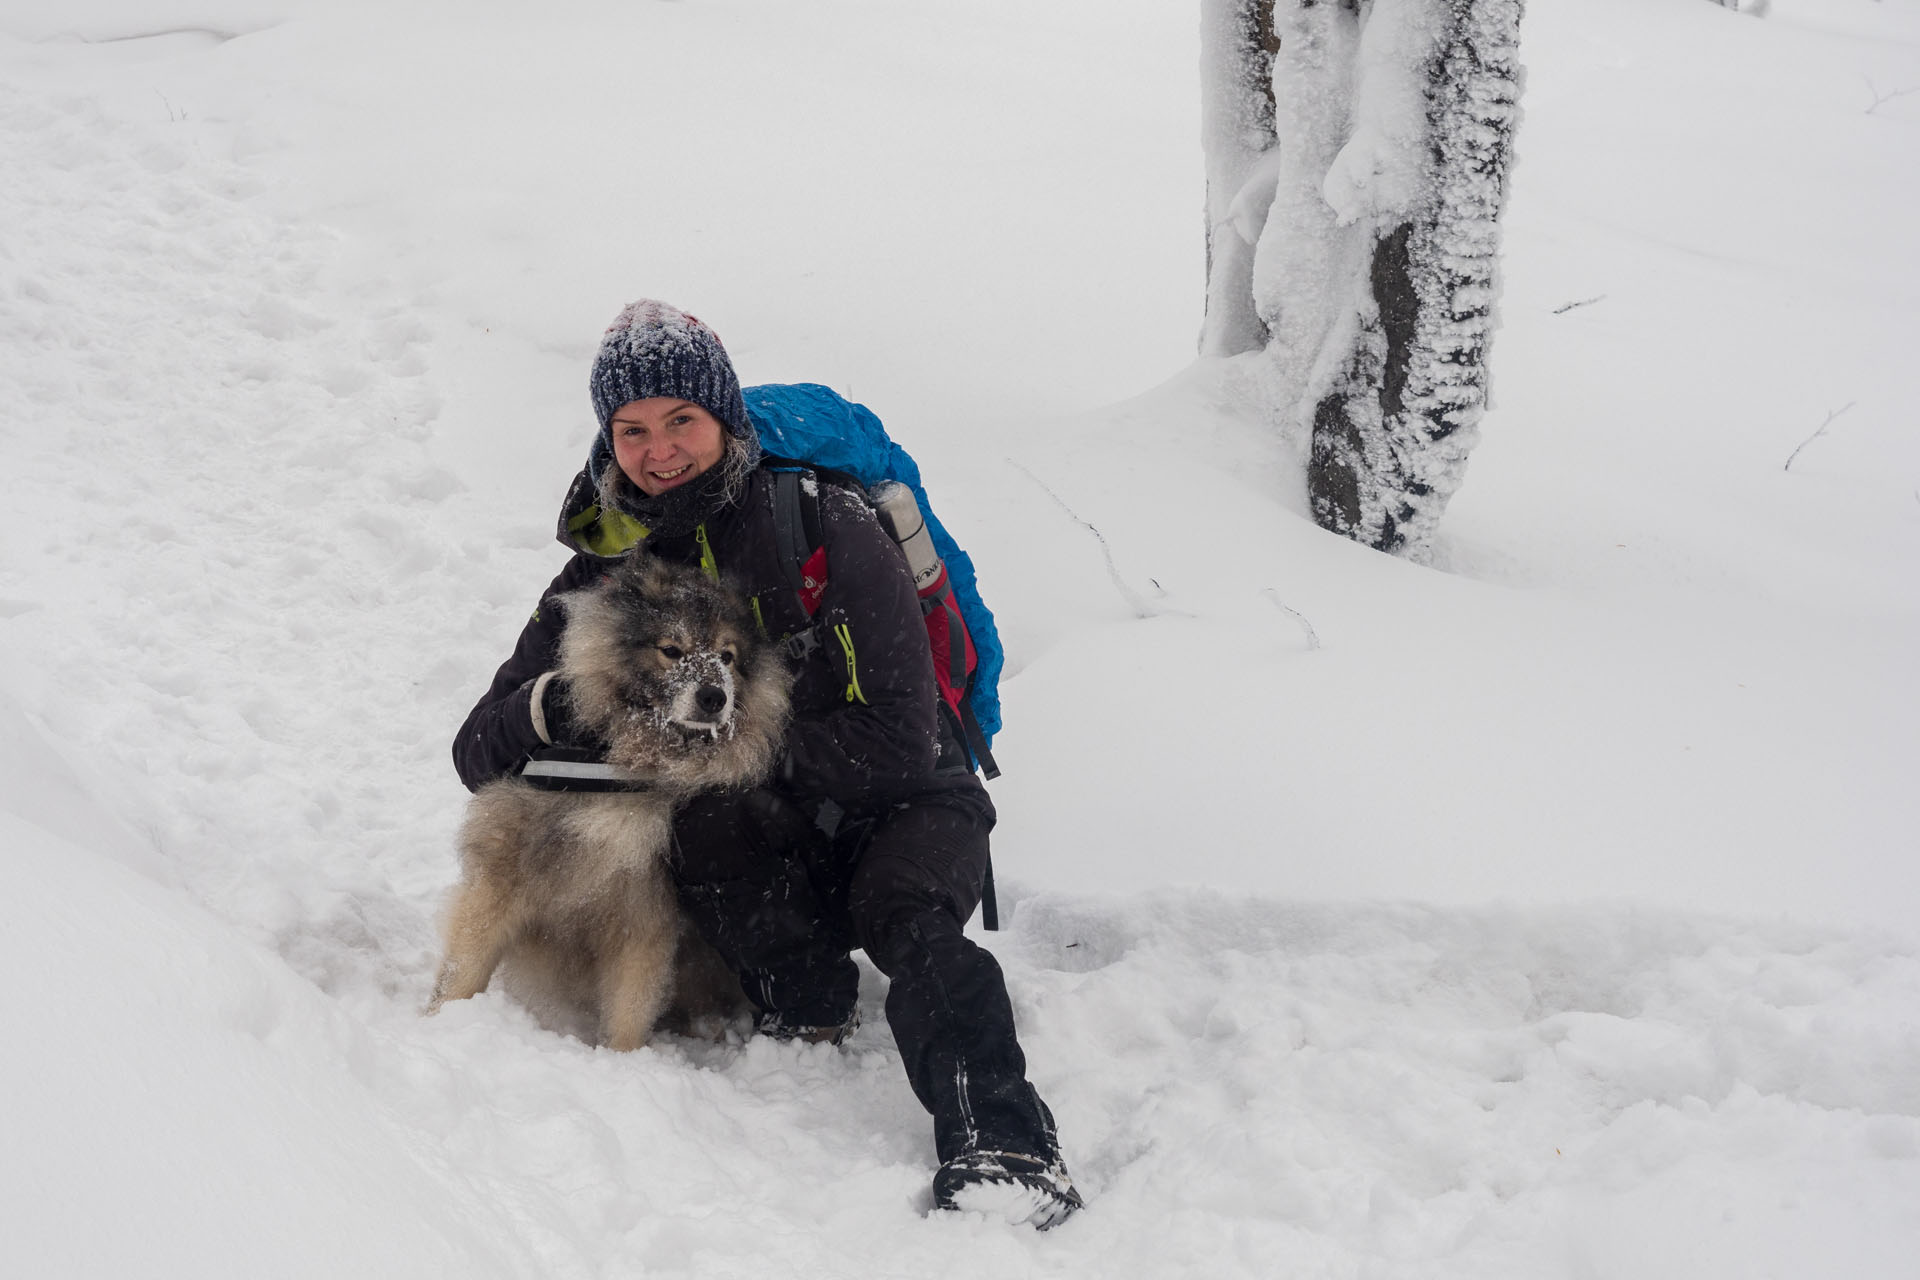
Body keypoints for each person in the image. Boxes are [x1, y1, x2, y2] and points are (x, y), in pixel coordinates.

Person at [451, 300, 1083, 1228]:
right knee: (699, 831)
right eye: (631, 430)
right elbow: (477, 750)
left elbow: (904, 736)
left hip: (910, 801)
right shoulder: (609, 565)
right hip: (779, 821)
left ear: (725, 420)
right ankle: (806, 1001)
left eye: (681, 422)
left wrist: (738, 749)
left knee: (906, 915)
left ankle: (1006, 1142)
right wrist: (550, 707)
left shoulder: (822, 522)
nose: (658, 451)